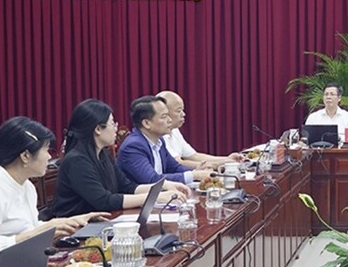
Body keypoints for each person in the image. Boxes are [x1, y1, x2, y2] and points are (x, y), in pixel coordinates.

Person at [0, 117, 107, 267]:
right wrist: (42, 230)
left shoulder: (26, 186)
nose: (49, 157)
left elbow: (26, 229)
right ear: (26, 156)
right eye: (46, 149)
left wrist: (68, 222)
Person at [51, 99, 191, 217]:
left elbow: (128, 187)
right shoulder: (77, 161)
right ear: (98, 129)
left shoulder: (103, 154)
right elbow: (104, 201)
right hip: (77, 229)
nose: (116, 128)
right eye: (113, 123)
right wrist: (154, 197)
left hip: (102, 221)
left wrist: (164, 187)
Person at [117, 95, 212, 185]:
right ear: (146, 123)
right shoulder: (133, 146)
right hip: (140, 196)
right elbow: (152, 179)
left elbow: (175, 168)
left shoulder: (159, 141)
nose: (170, 120)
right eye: (164, 116)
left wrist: (196, 171)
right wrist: (194, 175)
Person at [157, 91, 244, 169]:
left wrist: (228, 159)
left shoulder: (175, 130)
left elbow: (194, 156)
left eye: (182, 110)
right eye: (178, 111)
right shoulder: (160, 134)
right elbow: (178, 163)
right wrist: (217, 164)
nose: (183, 114)